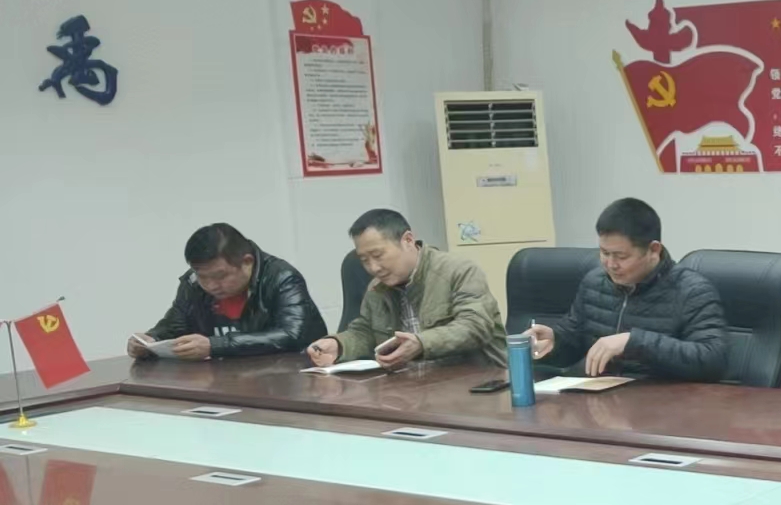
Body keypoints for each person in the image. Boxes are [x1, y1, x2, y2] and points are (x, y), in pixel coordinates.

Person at [525, 198, 727, 380]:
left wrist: (634, 342)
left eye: (621, 257)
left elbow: (712, 360)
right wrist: (555, 342)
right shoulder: (594, 282)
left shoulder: (692, 291)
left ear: (653, 250)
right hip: (599, 397)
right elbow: (576, 340)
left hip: (661, 401)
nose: (611, 264)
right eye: (604, 253)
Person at [306, 209, 507, 369]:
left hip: (477, 384)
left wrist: (422, 343)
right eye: (364, 260)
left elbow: (475, 326)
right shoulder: (377, 288)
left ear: (408, 240)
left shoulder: (458, 271)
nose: (373, 268)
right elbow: (366, 332)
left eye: (378, 255)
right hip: (414, 388)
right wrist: (339, 345)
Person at [129, 223, 326, 360]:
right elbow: (175, 325)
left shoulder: (281, 277)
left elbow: (291, 335)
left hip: (286, 377)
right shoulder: (193, 283)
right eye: (202, 276)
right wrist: (150, 340)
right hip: (224, 378)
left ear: (247, 262)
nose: (211, 285)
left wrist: (215, 345)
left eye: (220, 276)